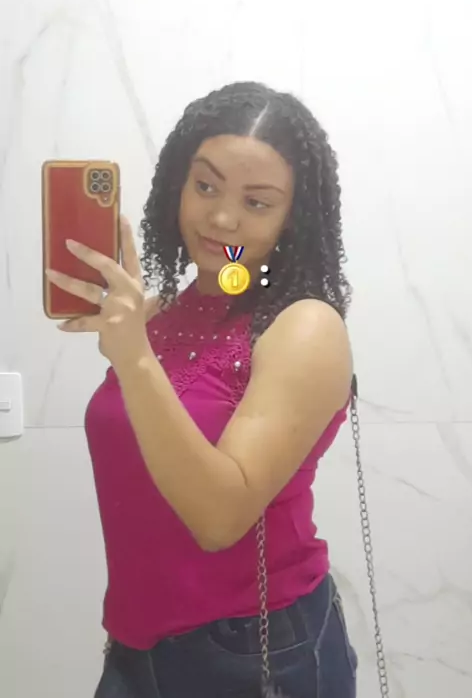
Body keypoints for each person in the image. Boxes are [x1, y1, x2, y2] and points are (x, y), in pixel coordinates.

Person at [46, 82, 358, 697]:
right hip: (137, 642)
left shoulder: (305, 326)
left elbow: (219, 519)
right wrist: (133, 339)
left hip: (256, 651)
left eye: (257, 202)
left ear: (293, 218)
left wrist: (134, 358)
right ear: (176, 185)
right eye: (206, 186)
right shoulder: (160, 315)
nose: (221, 219)